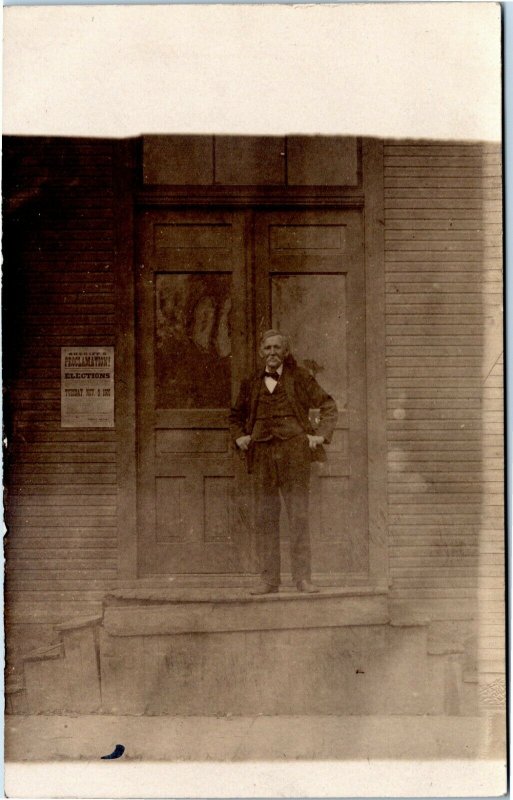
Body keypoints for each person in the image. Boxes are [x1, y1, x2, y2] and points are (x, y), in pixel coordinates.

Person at [229, 330, 338, 594]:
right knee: (266, 516)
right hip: (263, 455)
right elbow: (234, 417)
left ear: (285, 352)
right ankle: (269, 580)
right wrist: (240, 437)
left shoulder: (299, 377)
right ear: (261, 352)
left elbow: (328, 406)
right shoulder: (251, 382)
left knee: (298, 515)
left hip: (294, 454)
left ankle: (302, 578)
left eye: (277, 348)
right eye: (267, 348)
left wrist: (320, 436)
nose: (272, 353)